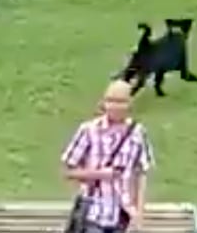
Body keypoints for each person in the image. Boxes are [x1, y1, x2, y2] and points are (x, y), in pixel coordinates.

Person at [61, 80, 153, 233]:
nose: (115, 106)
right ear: (103, 103)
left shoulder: (138, 133)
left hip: (122, 215)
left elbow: (141, 173)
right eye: (110, 101)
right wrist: (99, 174)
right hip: (93, 213)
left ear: (129, 103)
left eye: (121, 101)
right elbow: (68, 171)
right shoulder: (89, 130)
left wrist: (139, 214)